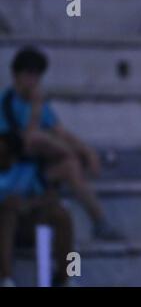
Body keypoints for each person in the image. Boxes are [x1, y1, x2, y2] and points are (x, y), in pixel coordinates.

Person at [0, 47, 120, 239]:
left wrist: (88, 150)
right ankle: (73, 155)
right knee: (40, 139)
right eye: (28, 74)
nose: (33, 81)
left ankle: (100, 223)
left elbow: (60, 131)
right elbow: (27, 142)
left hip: (33, 173)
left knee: (70, 166)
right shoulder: (5, 102)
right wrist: (36, 108)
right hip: (10, 174)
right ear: (16, 75)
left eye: (37, 75)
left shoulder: (39, 104)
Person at [0, 133, 74, 287]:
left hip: (25, 224)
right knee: (8, 209)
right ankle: (6, 278)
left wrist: (27, 205)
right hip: (3, 224)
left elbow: (48, 196)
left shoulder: (28, 170)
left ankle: (67, 276)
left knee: (62, 215)